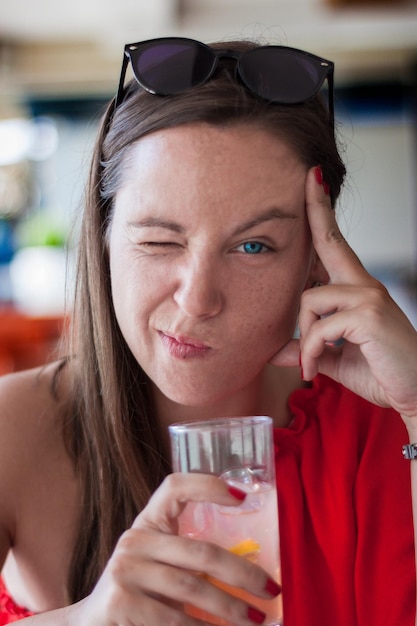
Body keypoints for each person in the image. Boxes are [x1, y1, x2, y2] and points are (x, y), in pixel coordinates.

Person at [0, 36, 416, 626]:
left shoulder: (390, 423)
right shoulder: (13, 432)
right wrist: (80, 621)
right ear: (104, 239)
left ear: (316, 259)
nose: (197, 299)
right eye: (159, 239)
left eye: (253, 246)